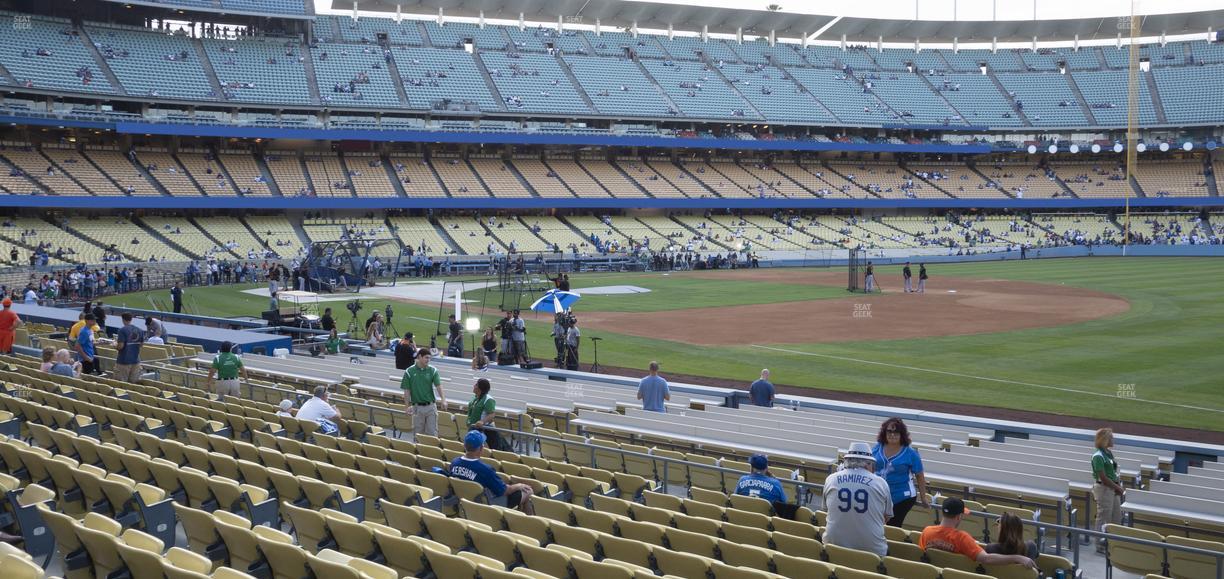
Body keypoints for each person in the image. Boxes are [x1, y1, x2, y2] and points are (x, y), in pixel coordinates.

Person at [920, 498, 1036, 570]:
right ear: (959, 516)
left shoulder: (926, 531)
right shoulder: (962, 538)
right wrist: (1018, 557)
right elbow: (986, 559)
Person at [823, 442, 893, 557]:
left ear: (847, 461)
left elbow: (827, 510)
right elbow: (886, 517)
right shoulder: (880, 483)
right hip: (872, 550)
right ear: (868, 463)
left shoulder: (831, 479)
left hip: (833, 545)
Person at [448, 430, 534, 513]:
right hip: (491, 506)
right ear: (481, 448)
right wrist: (518, 485)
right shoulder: (485, 469)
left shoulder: (454, 463)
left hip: (466, 502)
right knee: (528, 491)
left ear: (465, 445)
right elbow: (504, 491)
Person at [872, 417, 929, 528]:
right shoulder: (877, 448)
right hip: (879, 494)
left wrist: (923, 497)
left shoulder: (910, 453)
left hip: (902, 496)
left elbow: (919, 475)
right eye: (889, 431)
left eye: (896, 432)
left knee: (892, 527)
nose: (892, 434)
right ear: (884, 432)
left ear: (902, 434)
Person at [1092, 427, 1125, 553]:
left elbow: (1111, 472)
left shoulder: (1108, 453)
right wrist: (1118, 487)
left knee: (1116, 516)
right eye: (1111, 437)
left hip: (1112, 488)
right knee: (1104, 517)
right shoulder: (1098, 456)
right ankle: (1100, 545)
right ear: (1105, 439)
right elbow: (1103, 478)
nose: (1113, 439)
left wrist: (1117, 485)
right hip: (1104, 489)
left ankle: (1113, 542)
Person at [401, 348, 446, 438]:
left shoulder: (433, 370)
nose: (428, 360)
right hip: (417, 407)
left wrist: (443, 399)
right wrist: (406, 407)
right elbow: (406, 391)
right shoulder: (409, 371)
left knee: (432, 434)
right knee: (418, 435)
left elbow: (438, 386)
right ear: (420, 357)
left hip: (431, 407)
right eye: (426, 358)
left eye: (429, 358)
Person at [466, 378, 499, 449]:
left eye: (476, 384)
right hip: (473, 427)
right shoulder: (475, 397)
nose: (474, 386)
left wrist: (482, 421)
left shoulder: (488, 399)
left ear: (480, 388)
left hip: (485, 430)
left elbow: (492, 414)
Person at [114, 312, 144, 383]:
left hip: (124, 361)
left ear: (123, 320)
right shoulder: (140, 330)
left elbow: (120, 346)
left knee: (121, 385)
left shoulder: (122, 330)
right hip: (136, 361)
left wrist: (115, 346)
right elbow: (141, 345)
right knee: (132, 385)